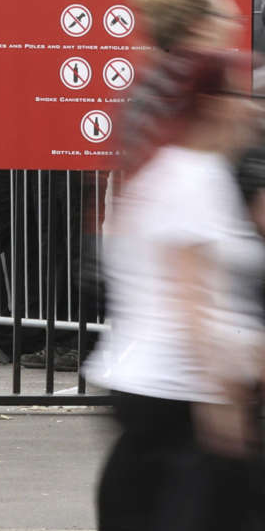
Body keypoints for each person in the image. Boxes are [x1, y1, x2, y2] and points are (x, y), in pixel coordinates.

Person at [88, 47, 261, 530]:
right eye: (240, 96)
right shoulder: (195, 179)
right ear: (212, 104)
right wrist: (221, 401)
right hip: (179, 395)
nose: (251, 109)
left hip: (147, 387)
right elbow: (193, 303)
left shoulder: (167, 172)